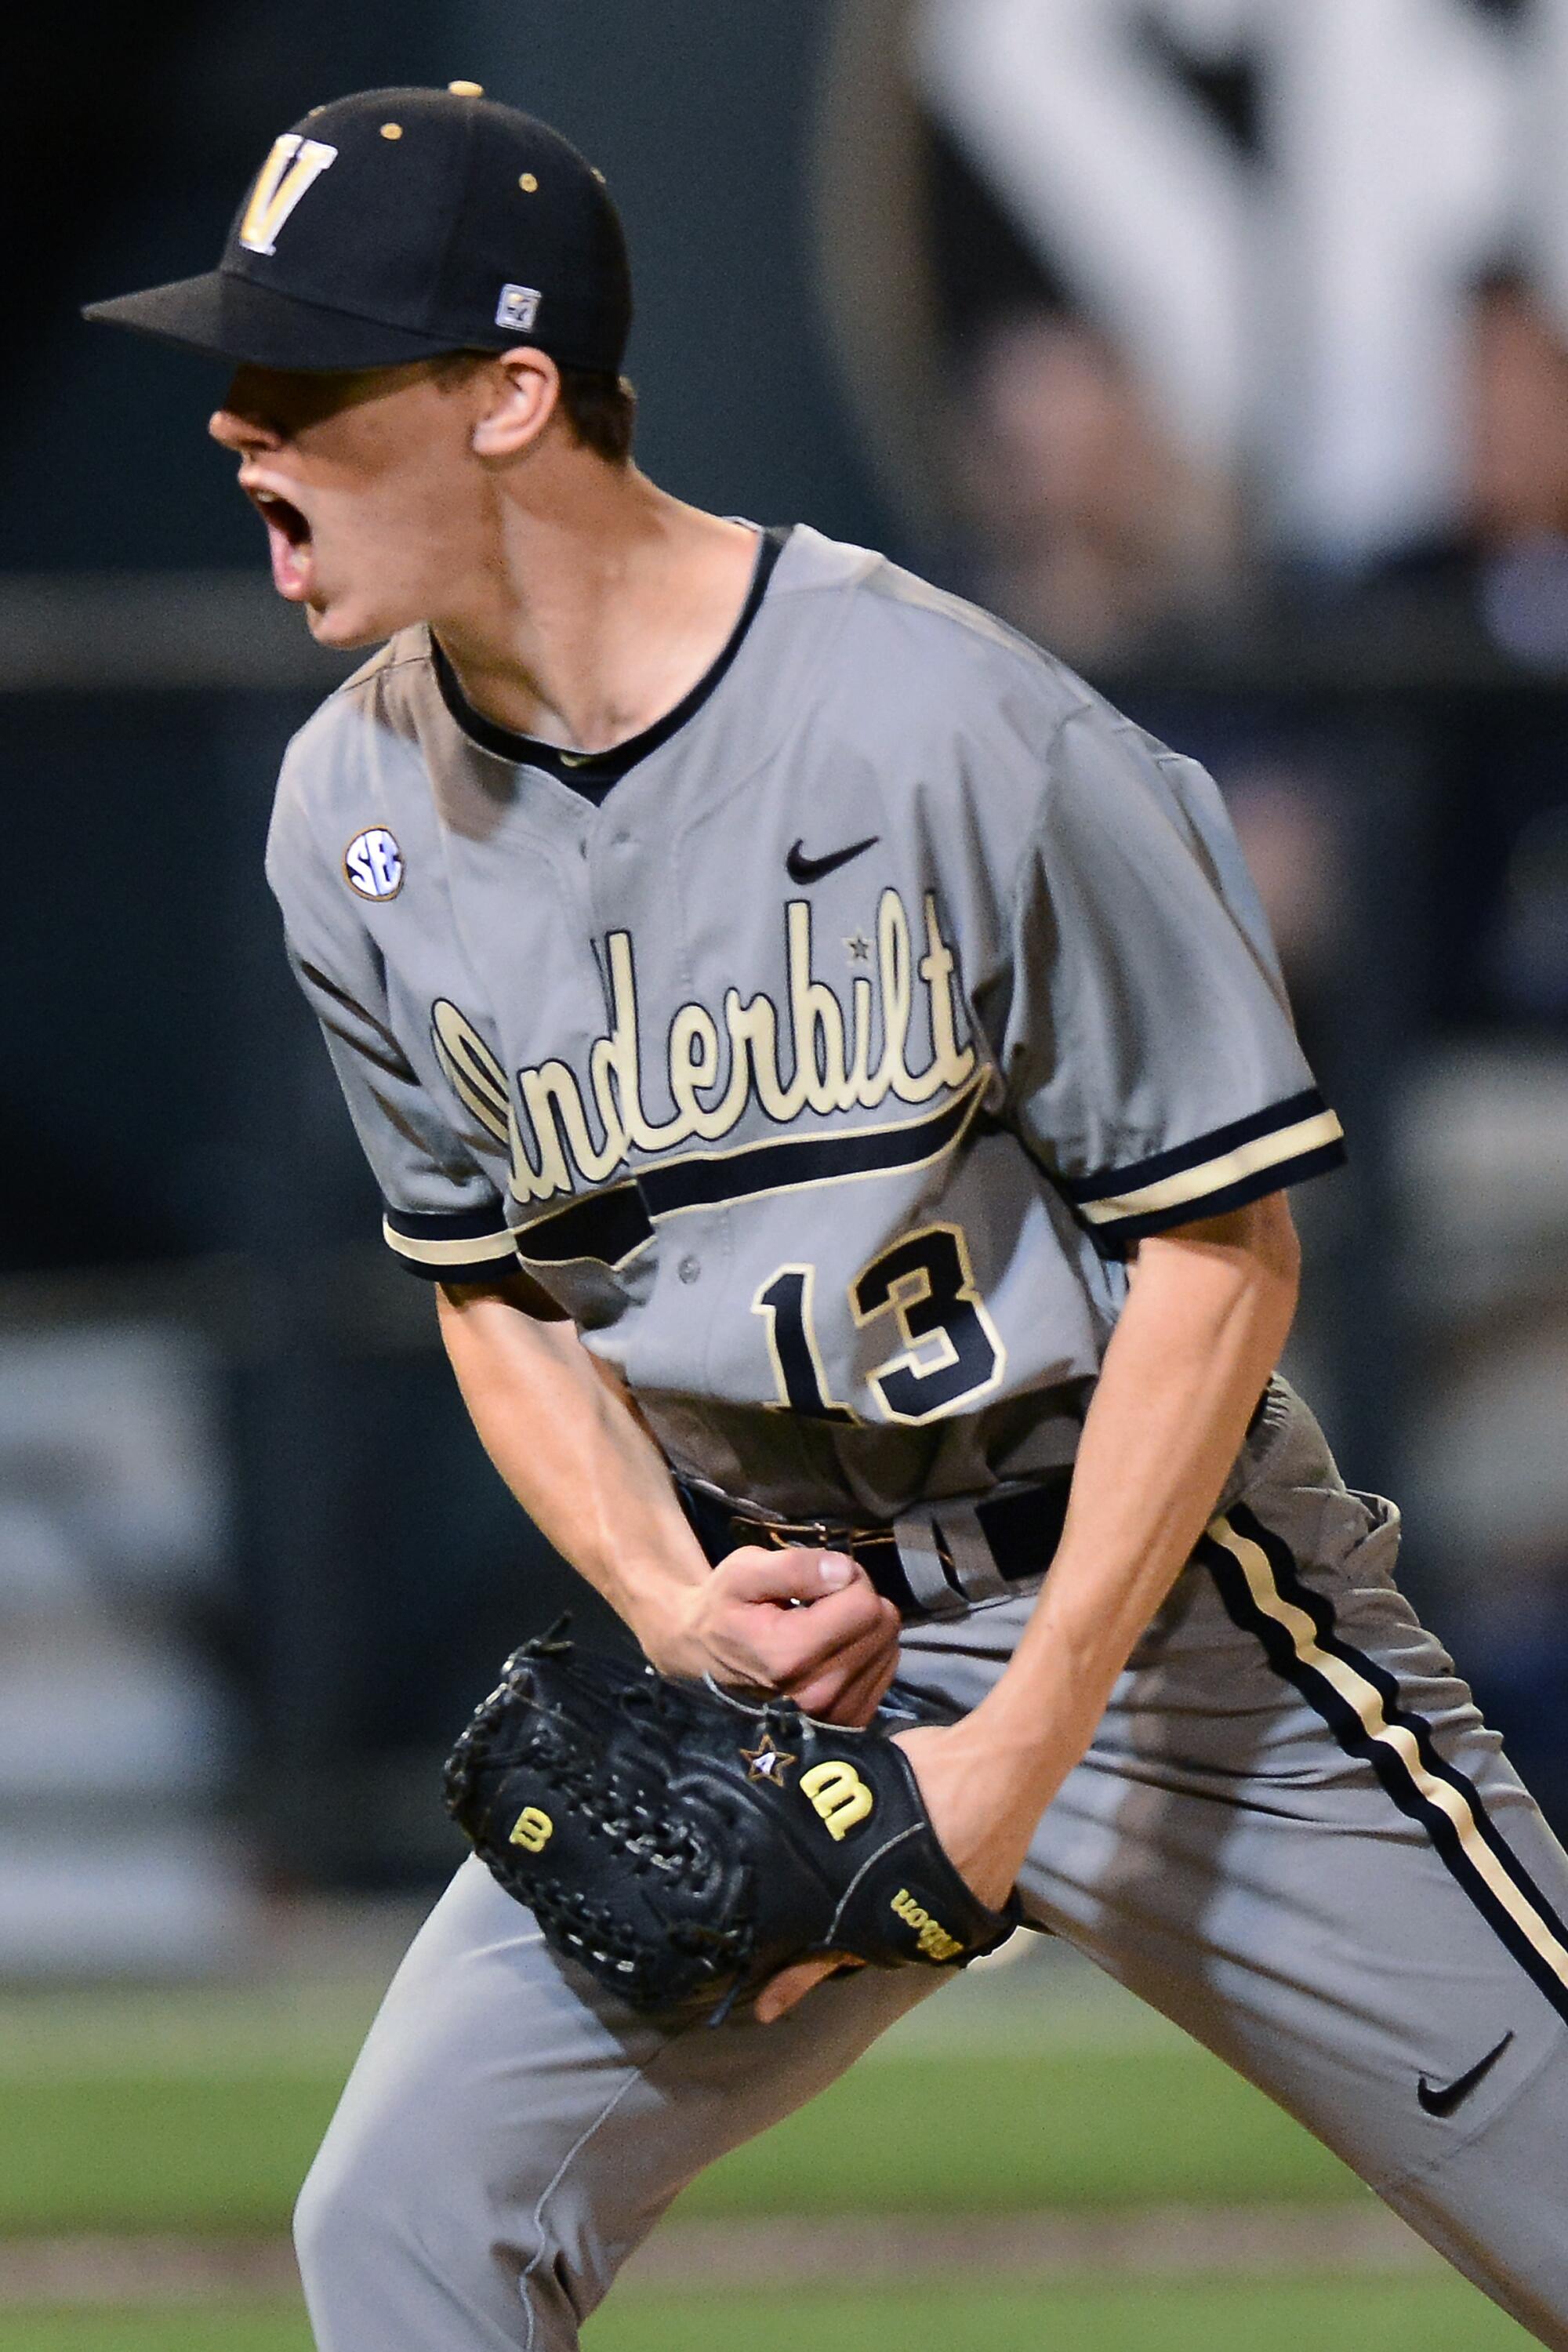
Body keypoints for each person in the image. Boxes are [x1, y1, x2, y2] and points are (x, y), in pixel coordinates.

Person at [86, 82, 1568, 2352]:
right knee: (397, 2222)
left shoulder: (952, 727)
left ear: (508, 398)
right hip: (778, 1652)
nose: (239, 435)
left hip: (1158, 1619)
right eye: (233, 386)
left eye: (302, 388)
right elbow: (488, 1294)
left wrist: (1019, 1741)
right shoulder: (346, 817)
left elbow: (1221, 1250)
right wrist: (674, 1605)